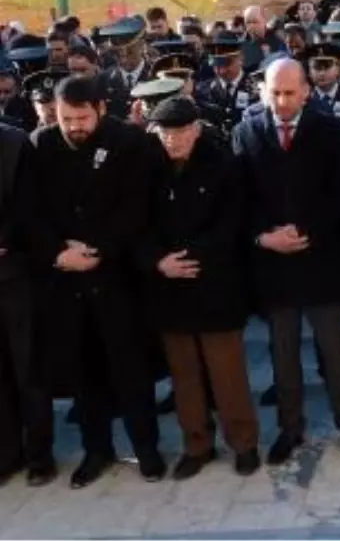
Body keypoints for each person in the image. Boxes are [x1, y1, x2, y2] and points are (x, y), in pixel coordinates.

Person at [29, 75, 164, 488]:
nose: (74, 127)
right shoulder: (42, 144)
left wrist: (98, 250)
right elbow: (33, 211)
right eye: (66, 118)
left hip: (116, 276)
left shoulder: (129, 143)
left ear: (101, 109)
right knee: (84, 373)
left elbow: (137, 207)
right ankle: (97, 450)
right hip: (67, 280)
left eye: (82, 117)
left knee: (131, 369)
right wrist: (58, 252)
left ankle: (147, 449)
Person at [232, 58, 340, 463]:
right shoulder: (246, 132)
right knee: (283, 353)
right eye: (275, 92)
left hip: (321, 259)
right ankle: (290, 429)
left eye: (291, 92)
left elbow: (339, 192)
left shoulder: (328, 130)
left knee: (334, 349)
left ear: (306, 91)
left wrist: (306, 233)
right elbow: (241, 197)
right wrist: (265, 237)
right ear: (262, 91)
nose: (283, 101)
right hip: (274, 265)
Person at [139, 97, 260, 479]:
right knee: (184, 374)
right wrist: (159, 261)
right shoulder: (147, 169)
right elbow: (134, 222)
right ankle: (197, 444)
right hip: (168, 284)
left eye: (179, 131)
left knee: (227, 373)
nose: (172, 140)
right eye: (165, 133)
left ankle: (243, 443)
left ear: (195, 129)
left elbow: (232, 222)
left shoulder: (223, 164)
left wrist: (191, 258)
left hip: (215, 282)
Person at [0, 118, 54, 486]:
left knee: (28, 367)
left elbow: (31, 208)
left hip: (16, 273)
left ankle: (40, 456)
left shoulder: (14, 143)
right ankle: (6, 455)